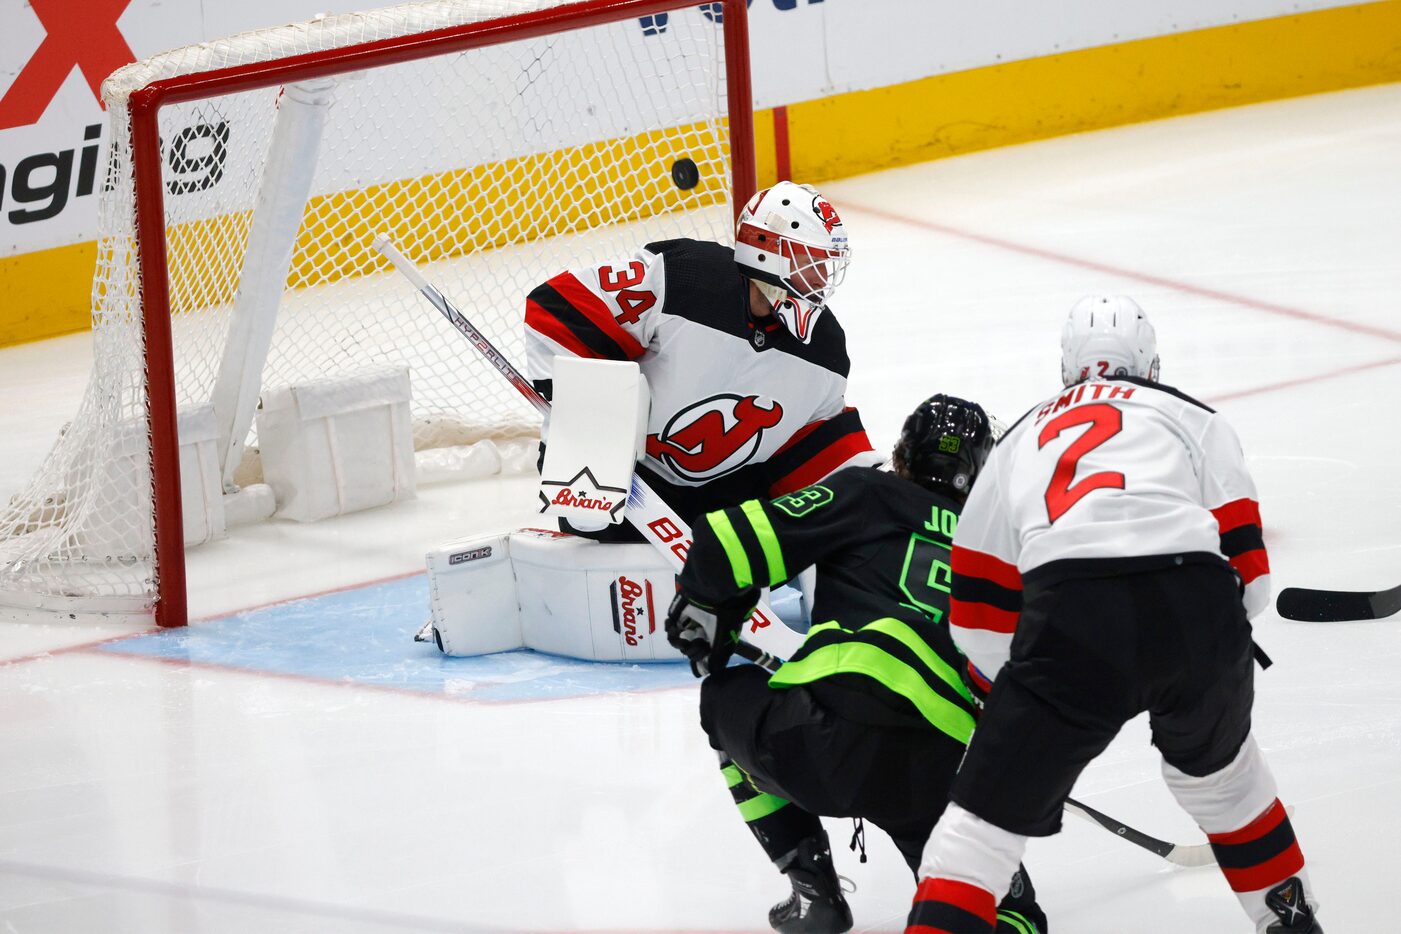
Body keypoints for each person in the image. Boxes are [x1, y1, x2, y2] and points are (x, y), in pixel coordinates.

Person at [907, 296, 1322, 934]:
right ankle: (1293, 921)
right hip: (1198, 609)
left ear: (1066, 371)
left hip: (1073, 616)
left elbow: (979, 620)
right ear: (1150, 364)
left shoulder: (1018, 438)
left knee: (978, 834)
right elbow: (1253, 581)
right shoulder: (1193, 415)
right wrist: (1201, 653)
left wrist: (1018, 704)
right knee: (1226, 784)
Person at [666, 395, 1048, 934]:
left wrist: (710, 611)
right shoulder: (1003, 551)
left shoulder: (870, 492)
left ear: (904, 458)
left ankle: (813, 893)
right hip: (936, 776)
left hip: (817, 742)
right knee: (1011, 916)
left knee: (725, 697)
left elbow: (729, 543)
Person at [524, 180, 879, 539]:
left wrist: (875, 495)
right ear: (766, 250)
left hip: (724, 493)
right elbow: (556, 312)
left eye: (825, 266)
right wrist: (591, 429)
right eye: (810, 263)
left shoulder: (825, 349)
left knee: (831, 529)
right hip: (632, 474)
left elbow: (817, 450)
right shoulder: (684, 279)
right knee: (596, 525)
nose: (821, 279)